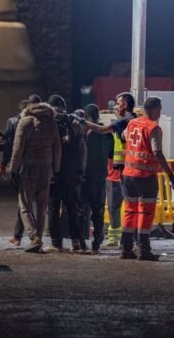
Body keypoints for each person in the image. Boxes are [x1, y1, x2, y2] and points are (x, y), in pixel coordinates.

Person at [120, 96, 174, 261]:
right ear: (153, 109)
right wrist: (170, 174)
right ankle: (144, 250)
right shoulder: (153, 128)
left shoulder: (132, 123)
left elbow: (124, 137)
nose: (160, 113)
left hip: (128, 175)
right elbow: (157, 152)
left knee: (130, 211)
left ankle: (126, 249)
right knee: (146, 213)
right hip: (145, 177)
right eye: (159, 109)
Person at [82, 92, 136, 248]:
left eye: (118, 104)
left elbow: (102, 129)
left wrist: (82, 122)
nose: (115, 107)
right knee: (125, 206)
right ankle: (129, 239)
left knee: (127, 206)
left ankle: (130, 240)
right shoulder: (131, 121)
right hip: (123, 170)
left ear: (125, 105)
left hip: (126, 170)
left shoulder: (126, 121)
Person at [7, 99, 61, 253]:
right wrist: (55, 168)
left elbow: (17, 149)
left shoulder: (25, 122)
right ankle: (39, 239)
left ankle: (34, 238)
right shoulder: (52, 122)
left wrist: (13, 169)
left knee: (24, 205)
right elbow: (57, 147)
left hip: (28, 168)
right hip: (46, 168)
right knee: (42, 206)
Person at [46, 95, 87, 253]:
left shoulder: (48, 121)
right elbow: (82, 150)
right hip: (71, 173)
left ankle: (56, 243)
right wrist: (80, 171)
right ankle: (76, 242)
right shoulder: (74, 122)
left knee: (53, 207)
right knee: (71, 208)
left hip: (54, 172)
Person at [78, 104, 113, 254]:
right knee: (98, 212)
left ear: (86, 116)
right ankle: (97, 243)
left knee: (81, 211)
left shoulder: (86, 132)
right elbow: (111, 155)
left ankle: (81, 242)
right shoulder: (107, 133)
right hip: (100, 177)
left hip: (85, 177)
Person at [2, 97, 34, 246]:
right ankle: (19, 235)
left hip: (21, 167)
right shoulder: (38, 121)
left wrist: (5, 164)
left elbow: (9, 145)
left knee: (23, 202)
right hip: (39, 166)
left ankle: (25, 236)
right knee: (30, 202)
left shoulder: (14, 121)